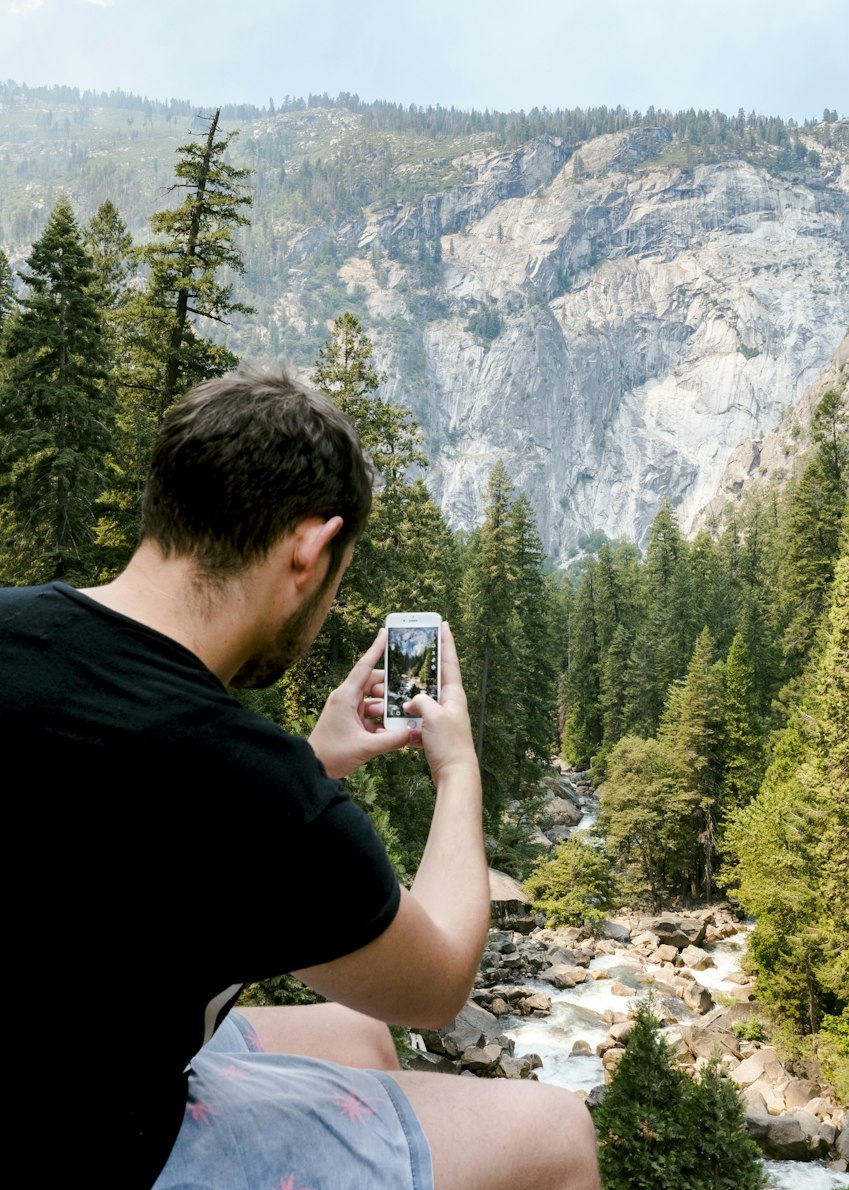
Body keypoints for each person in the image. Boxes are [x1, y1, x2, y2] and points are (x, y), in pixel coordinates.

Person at [1, 367, 599, 1189]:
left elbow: (135, 821)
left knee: (358, 1036)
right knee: (557, 1131)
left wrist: (313, 761)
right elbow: (438, 983)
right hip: (103, 1150)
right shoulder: (254, 790)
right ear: (310, 551)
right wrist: (458, 771)